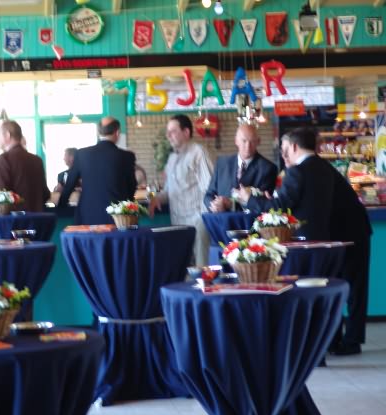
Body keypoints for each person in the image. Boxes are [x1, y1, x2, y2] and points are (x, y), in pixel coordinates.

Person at [235, 127, 371, 355]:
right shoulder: (322, 166)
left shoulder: (298, 171)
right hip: (353, 231)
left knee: (334, 287)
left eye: (285, 149)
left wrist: (249, 199)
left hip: (340, 235)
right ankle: (348, 341)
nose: (283, 155)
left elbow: (280, 207)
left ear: (294, 147)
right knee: (351, 288)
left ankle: (339, 341)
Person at [149, 114, 214, 266]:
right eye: (168, 132)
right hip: (178, 222)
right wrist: (157, 199)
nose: (168, 135)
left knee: (202, 269)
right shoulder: (172, 158)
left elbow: (210, 188)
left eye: (173, 131)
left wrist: (205, 219)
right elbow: (169, 191)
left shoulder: (198, 152)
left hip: (198, 220)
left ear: (186, 132)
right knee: (183, 269)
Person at [58, 117, 137, 225]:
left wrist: (61, 206)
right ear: (117, 132)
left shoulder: (82, 154)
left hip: (87, 216)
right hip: (117, 218)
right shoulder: (127, 156)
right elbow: (132, 186)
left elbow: (69, 184)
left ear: (98, 132)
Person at [204, 123, 277, 212]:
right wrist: (214, 205)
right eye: (244, 141)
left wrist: (231, 204)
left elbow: (263, 204)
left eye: (252, 141)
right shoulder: (222, 164)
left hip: (249, 220)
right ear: (236, 141)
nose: (248, 146)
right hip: (221, 219)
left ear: (258, 142)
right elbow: (209, 194)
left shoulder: (268, 168)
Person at [0, 120, 50, 212]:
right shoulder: (37, 160)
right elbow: (45, 194)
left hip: (15, 219)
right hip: (38, 217)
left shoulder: (3, 160)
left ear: (7, 135)